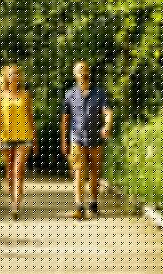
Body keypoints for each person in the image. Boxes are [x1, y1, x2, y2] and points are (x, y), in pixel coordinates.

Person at [61, 60, 112, 219]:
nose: (83, 73)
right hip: (77, 138)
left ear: (89, 73)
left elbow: (108, 112)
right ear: (74, 75)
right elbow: (65, 120)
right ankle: (79, 206)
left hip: (96, 139)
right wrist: (64, 141)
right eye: (79, 71)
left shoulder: (100, 93)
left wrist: (107, 126)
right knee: (78, 171)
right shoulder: (69, 94)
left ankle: (94, 202)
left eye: (85, 70)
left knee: (95, 173)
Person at [0, 64, 36, 220]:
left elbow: (30, 117)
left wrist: (34, 138)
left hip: (24, 138)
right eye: (11, 74)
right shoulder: (0, 97)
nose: (14, 76)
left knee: (19, 170)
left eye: (17, 74)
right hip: (6, 138)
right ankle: (12, 197)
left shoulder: (25, 95)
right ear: (6, 77)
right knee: (10, 171)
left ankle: (16, 205)